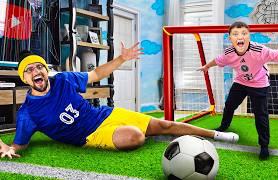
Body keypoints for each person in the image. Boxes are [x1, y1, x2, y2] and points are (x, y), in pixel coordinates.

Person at [1, 42, 239, 159]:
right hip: (90, 136)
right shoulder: (28, 113)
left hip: (106, 114)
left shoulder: (64, 79)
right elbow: (19, 144)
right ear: (24, 78)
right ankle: (150, 133)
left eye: (38, 67)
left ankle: (216, 135)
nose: (35, 72)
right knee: (135, 136)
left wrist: (121, 59)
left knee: (164, 124)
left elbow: (97, 75)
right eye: (29, 70)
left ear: (45, 69)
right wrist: (7, 148)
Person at [198, 21, 278, 160]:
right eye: (235, 34)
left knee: (260, 115)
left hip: (259, 84)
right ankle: (224, 126)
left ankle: (264, 146)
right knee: (230, 105)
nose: (240, 36)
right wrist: (206, 66)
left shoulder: (259, 50)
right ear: (230, 37)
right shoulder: (229, 53)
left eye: (244, 33)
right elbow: (217, 60)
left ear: (249, 36)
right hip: (241, 82)